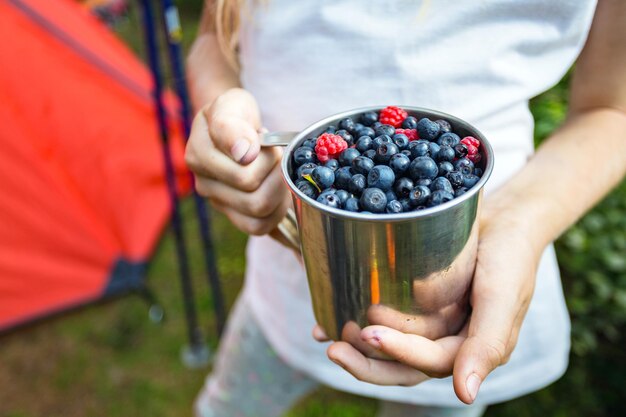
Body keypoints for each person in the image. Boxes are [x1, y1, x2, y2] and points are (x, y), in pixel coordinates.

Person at [184, 0, 626, 416]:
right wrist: (222, 118)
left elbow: (612, 108)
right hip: (284, 285)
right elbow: (213, 42)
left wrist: (519, 223)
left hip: (467, 293)